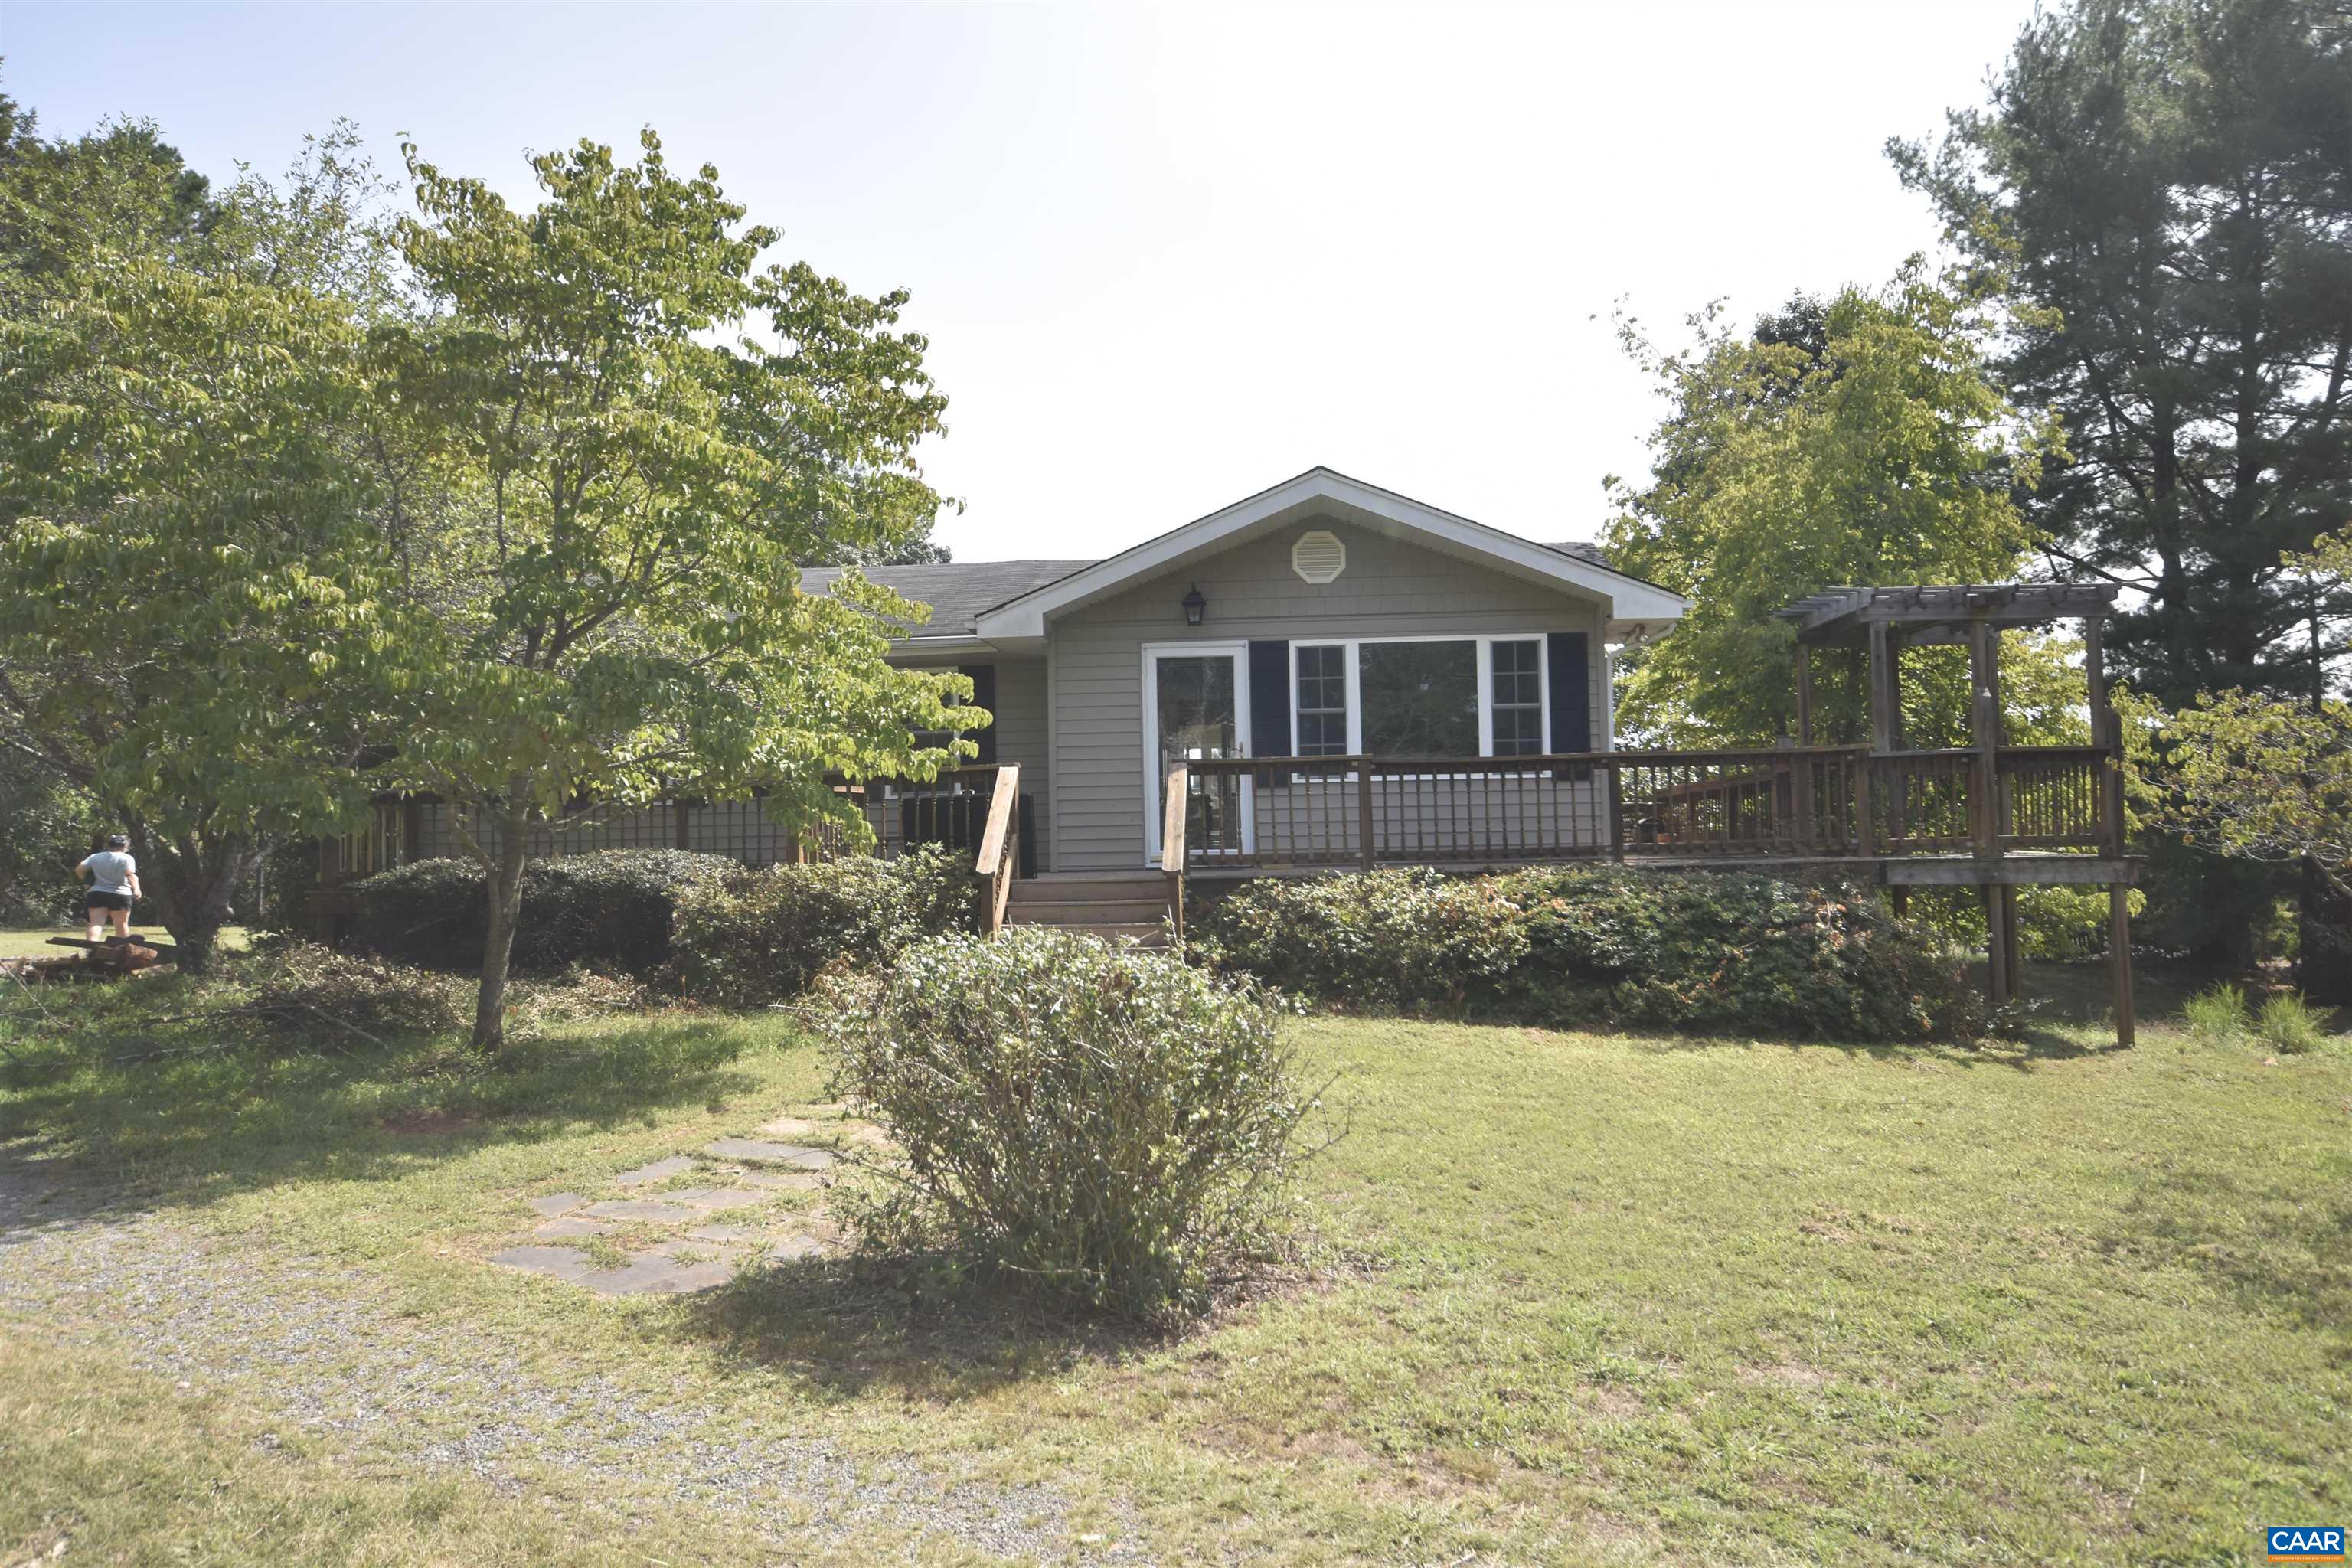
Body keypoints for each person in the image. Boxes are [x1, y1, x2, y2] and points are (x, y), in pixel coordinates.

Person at [77, 835, 142, 943]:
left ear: (109, 845)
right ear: (124, 846)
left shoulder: (95, 857)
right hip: (120, 894)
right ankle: (121, 951)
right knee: (121, 925)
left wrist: (88, 881)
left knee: (95, 923)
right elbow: (130, 874)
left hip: (97, 892)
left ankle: (91, 948)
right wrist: (136, 889)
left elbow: (79, 869)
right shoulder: (127, 858)